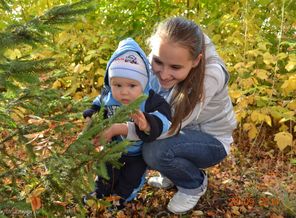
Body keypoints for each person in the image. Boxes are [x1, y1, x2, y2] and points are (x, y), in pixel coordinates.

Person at [139, 17, 237, 214]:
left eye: (175, 68)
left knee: (153, 151)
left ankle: (193, 184)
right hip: (183, 134)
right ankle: (173, 173)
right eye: (158, 62)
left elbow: (172, 124)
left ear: (196, 61)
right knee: (151, 141)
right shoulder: (167, 49)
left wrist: (124, 131)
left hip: (212, 141)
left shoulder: (211, 75)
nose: (164, 74)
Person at [82, 38, 171, 208]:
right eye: (118, 85)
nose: (124, 92)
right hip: (113, 148)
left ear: (143, 84)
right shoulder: (109, 97)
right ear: (110, 82)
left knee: (130, 178)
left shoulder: (149, 101)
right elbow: (96, 104)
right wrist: (90, 117)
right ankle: (100, 193)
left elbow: (165, 118)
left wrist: (148, 124)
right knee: (105, 172)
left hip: (137, 154)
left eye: (132, 85)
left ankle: (121, 197)